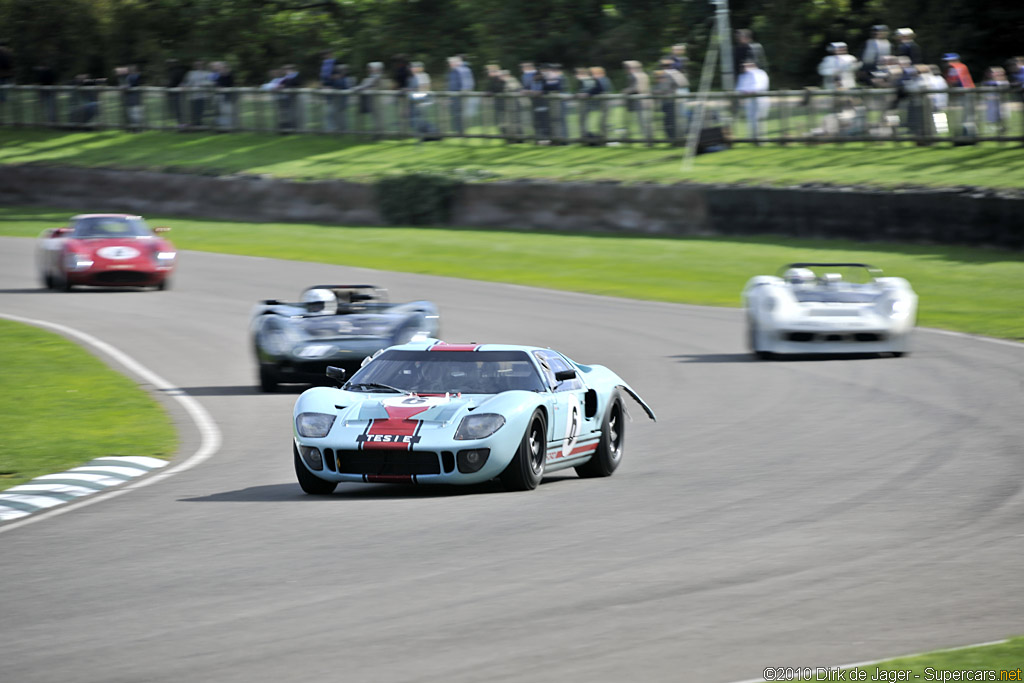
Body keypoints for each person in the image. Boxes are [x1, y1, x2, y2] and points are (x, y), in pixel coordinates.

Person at [736, 60, 770, 141]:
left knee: (759, 118)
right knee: (751, 119)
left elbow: (759, 86)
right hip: (750, 100)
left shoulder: (759, 73)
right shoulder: (744, 75)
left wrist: (747, 91)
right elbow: (740, 87)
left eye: (747, 65)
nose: (744, 67)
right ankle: (753, 137)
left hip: (760, 99)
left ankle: (760, 138)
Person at [621, 60, 651, 138]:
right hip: (646, 101)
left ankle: (646, 139)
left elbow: (636, 88)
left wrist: (625, 91)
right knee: (646, 122)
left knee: (642, 122)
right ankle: (648, 139)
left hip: (639, 102)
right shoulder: (644, 75)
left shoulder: (634, 76)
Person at [183, 60, 213, 128]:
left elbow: (211, 82)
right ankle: (194, 123)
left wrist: (203, 84)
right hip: (193, 96)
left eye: (200, 65)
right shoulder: (191, 73)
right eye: (197, 65)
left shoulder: (207, 73)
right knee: (193, 110)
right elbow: (188, 83)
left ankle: (200, 123)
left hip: (203, 96)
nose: (199, 66)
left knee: (201, 110)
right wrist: (184, 86)